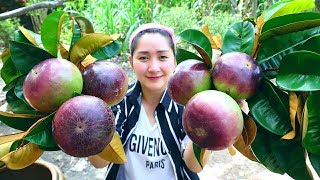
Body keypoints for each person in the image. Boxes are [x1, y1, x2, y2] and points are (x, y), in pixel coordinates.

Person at [89, 23, 211, 180]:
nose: (153, 67)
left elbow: (194, 165)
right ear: (131, 61)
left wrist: (210, 119)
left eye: (163, 57)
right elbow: (99, 162)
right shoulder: (119, 103)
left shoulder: (189, 107)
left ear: (175, 60)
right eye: (143, 58)